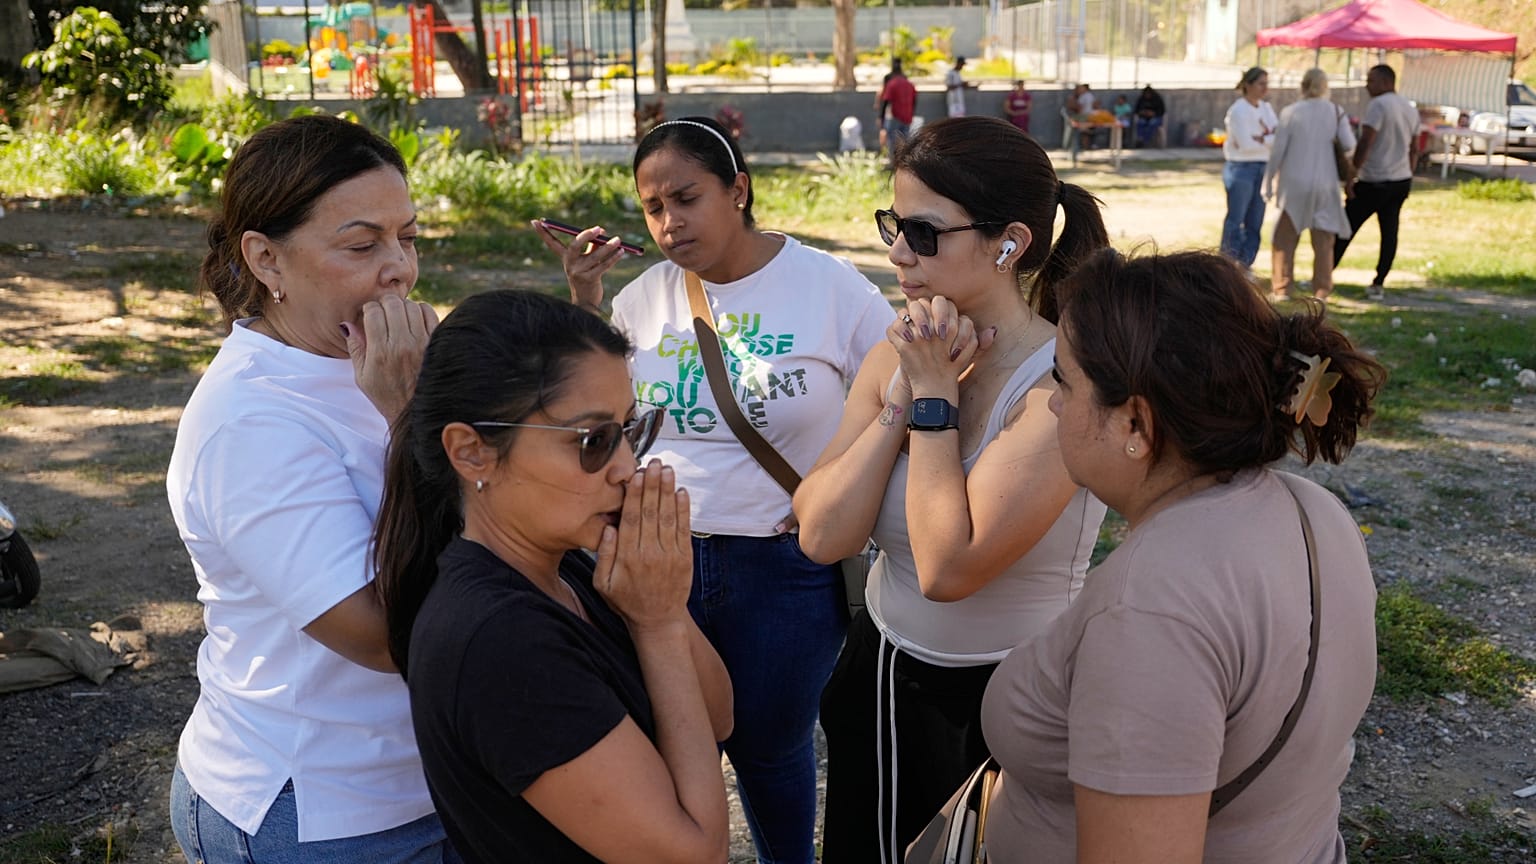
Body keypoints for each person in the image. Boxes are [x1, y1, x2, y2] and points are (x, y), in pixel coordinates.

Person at [533, 116, 893, 864]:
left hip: (785, 568)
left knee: (771, 749)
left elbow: (899, 392)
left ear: (738, 189)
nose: (669, 223)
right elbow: (593, 412)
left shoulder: (829, 288)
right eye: (653, 207)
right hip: (658, 559)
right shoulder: (642, 300)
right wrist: (584, 294)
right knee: (667, 744)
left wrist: (845, 502)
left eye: (687, 198)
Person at [980, 247, 1385, 862]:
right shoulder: (1312, 509)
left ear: (1136, 426)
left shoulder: (1149, 612)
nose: (1054, 403)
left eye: (1064, 379)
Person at [794, 116, 1112, 864]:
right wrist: (903, 400)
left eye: (925, 233)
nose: (898, 253)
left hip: (1005, 702)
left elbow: (949, 568)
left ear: (1009, 243)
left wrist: (934, 404)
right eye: (892, 225)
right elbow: (819, 534)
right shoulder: (900, 351)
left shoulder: (1064, 386)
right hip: (881, 678)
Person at [165, 114, 453, 862]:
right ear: (266, 260)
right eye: (362, 245)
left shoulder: (379, 359)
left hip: (431, 775)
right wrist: (412, 422)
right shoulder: (249, 421)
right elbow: (376, 635)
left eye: (409, 237)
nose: (399, 269)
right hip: (322, 807)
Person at [373, 289, 735, 863]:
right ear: (471, 454)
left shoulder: (566, 557)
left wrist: (661, 612)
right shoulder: (501, 641)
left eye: (629, 430)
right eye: (593, 441)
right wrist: (660, 625)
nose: (626, 467)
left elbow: (716, 717)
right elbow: (694, 855)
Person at [1264, 68, 1355, 301]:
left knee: (1284, 238)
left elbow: (1277, 151)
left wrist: (1268, 180)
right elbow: (1349, 144)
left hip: (1293, 183)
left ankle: (1282, 287)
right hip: (1325, 182)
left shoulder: (1291, 112)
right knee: (1324, 241)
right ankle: (1322, 290)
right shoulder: (1336, 111)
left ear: (1303, 86)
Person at [1334, 64, 1419, 300]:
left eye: (1371, 81)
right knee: (1389, 232)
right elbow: (1415, 147)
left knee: (1344, 226)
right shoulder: (1409, 107)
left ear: (1385, 82)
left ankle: (1324, 273)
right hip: (1400, 180)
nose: (1367, 86)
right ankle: (1379, 282)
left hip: (1375, 180)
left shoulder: (1378, 105)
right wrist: (1409, 172)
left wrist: (1352, 174)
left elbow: (1366, 142)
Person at [1221, 66, 1278, 270]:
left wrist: (1263, 138)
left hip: (1262, 167)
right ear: (1248, 85)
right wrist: (1266, 139)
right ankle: (1229, 263)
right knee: (1236, 219)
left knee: (1255, 219)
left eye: (1266, 83)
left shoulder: (1266, 109)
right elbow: (1245, 144)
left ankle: (1245, 264)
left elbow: (1278, 136)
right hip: (1241, 168)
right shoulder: (1238, 110)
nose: (1265, 88)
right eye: (1261, 83)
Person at [880, 60, 918, 159]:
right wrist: (911, 113)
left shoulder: (892, 84)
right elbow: (914, 101)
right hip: (907, 116)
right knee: (905, 142)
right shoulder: (910, 85)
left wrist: (882, 118)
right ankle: (903, 162)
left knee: (893, 141)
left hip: (896, 116)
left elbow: (886, 102)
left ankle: (893, 162)